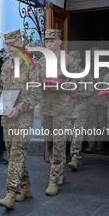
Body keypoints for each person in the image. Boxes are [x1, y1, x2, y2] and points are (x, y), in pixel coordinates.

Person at [0, 29, 39, 210]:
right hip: (7, 120)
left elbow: (35, 94)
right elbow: (1, 91)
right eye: (7, 45)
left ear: (22, 42)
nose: (10, 48)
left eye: (13, 44)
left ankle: (10, 194)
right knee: (14, 156)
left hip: (23, 120)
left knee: (17, 156)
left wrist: (19, 109)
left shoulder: (32, 65)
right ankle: (25, 188)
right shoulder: (6, 66)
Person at [38, 29, 79, 196]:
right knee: (50, 142)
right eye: (47, 42)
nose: (48, 44)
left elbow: (76, 84)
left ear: (59, 41)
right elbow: (36, 81)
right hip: (45, 106)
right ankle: (59, 170)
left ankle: (54, 180)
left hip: (62, 108)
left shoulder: (69, 61)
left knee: (60, 143)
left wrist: (61, 85)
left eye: (52, 41)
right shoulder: (41, 61)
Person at [67, 50, 93, 170]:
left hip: (81, 109)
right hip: (68, 109)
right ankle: (79, 157)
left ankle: (75, 158)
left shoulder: (86, 74)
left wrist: (80, 94)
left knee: (77, 134)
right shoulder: (65, 74)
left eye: (75, 58)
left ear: (79, 60)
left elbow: (91, 91)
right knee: (71, 135)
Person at [85, 47, 108, 153]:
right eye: (93, 56)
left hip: (102, 100)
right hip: (90, 100)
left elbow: (108, 85)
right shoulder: (87, 68)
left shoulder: (106, 68)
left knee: (101, 123)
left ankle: (100, 143)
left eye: (97, 55)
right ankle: (91, 144)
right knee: (91, 123)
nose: (94, 58)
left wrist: (106, 99)